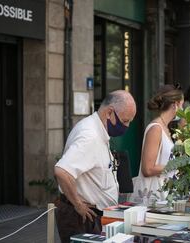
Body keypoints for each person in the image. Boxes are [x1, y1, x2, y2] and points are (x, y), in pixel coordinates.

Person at [54, 90, 136, 242]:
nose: (127, 126)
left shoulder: (96, 130)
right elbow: (62, 171)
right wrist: (78, 204)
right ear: (109, 112)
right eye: (125, 121)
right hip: (82, 218)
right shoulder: (90, 136)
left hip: (90, 216)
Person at [130, 85, 184, 202]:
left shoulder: (165, 128)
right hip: (152, 196)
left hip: (163, 195)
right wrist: (179, 164)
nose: (182, 109)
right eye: (182, 105)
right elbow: (148, 169)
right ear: (175, 104)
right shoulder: (156, 129)